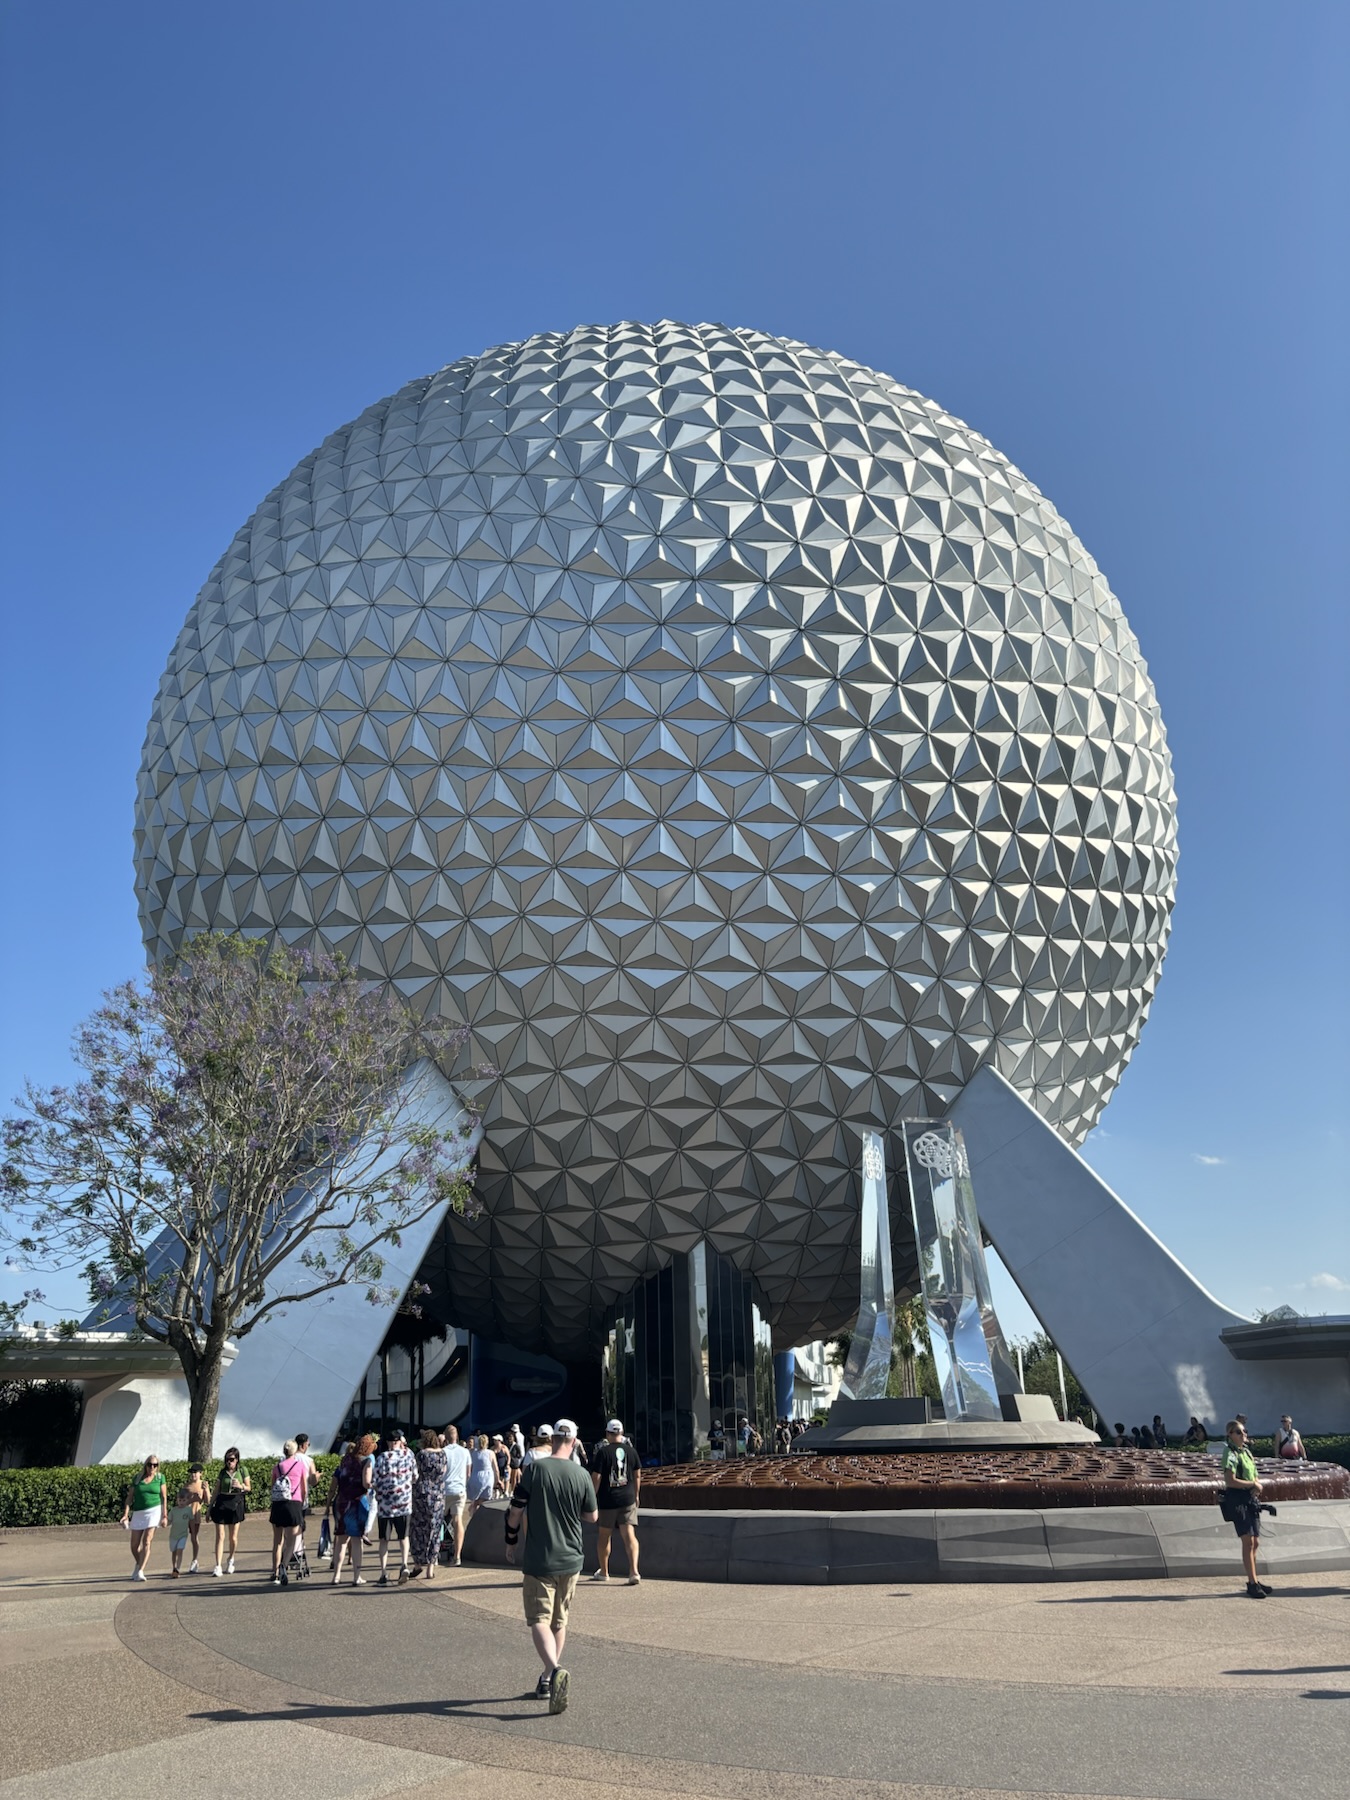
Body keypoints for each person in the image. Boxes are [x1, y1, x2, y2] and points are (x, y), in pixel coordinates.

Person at [504, 1416, 597, 1714]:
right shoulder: (581, 1474)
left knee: (538, 1619)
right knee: (560, 1620)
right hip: (572, 1559)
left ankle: (554, 1670)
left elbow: (515, 1511)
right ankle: (546, 1679)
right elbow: (592, 1516)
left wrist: (511, 1540)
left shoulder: (535, 1470)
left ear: (553, 1439)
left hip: (539, 1558)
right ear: (573, 1441)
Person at [1221, 1419, 1273, 1598]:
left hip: (1250, 1499)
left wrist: (1256, 1486)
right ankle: (1251, 1583)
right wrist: (1253, 1484)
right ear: (1229, 1435)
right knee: (1248, 1541)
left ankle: (1255, 1579)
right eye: (1238, 1432)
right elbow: (1230, 1480)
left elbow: (1255, 1475)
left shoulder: (1247, 1453)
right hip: (1237, 1499)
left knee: (1255, 1542)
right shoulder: (1231, 1452)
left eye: (1244, 1431)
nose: (1243, 1435)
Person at [590, 1418, 641, 1586]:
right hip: (627, 1499)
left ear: (607, 1434)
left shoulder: (602, 1452)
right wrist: (636, 1495)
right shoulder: (631, 1451)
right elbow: (637, 1474)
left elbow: (596, 1477)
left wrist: (592, 1496)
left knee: (604, 1536)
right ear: (621, 1433)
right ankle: (634, 1571)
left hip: (607, 1500)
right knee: (629, 1535)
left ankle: (604, 1572)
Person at [373, 1427, 419, 1585]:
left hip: (385, 1506)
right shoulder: (409, 1455)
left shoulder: (381, 1458)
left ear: (387, 1443)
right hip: (404, 1503)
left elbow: (375, 1480)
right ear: (400, 1441)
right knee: (403, 1537)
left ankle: (383, 1573)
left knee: (384, 1540)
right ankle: (404, 1564)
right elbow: (415, 1477)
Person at [330, 1433, 376, 1585]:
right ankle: (356, 1576)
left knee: (341, 1540)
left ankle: (336, 1575)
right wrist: (375, 1485)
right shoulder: (366, 1461)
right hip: (357, 1503)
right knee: (357, 1541)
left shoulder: (346, 1458)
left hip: (341, 1501)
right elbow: (366, 1483)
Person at [120, 1455, 168, 1581]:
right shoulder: (137, 1478)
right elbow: (130, 1498)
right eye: (150, 1464)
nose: (152, 1467)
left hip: (154, 1510)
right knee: (134, 1545)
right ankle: (139, 1563)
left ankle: (141, 1570)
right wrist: (126, 1514)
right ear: (146, 1465)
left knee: (147, 1541)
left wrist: (164, 1515)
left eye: (155, 1465)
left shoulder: (160, 1478)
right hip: (139, 1512)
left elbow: (164, 1497)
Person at [268, 1437, 308, 1586]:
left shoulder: (277, 1467)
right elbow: (303, 1487)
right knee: (291, 1541)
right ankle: (284, 1565)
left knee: (277, 1541)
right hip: (294, 1504)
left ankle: (274, 1571)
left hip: (278, 1505)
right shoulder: (299, 1466)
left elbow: (273, 1487)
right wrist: (303, 1502)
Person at [410, 1429, 449, 1579]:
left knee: (418, 1529)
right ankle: (431, 1568)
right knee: (435, 1530)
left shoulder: (421, 1454)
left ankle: (418, 1563)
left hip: (422, 1493)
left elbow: (415, 1473)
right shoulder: (442, 1454)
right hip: (438, 1494)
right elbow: (444, 1471)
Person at [210, 1447, 250, 1575]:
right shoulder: (222, 1473)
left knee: (233, 1537)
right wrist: (210, 1507)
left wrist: (240, 1486)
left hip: (236, 1501)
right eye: (227, 1459)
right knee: (220, 1536)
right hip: (222, 1501)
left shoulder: (242, 1471)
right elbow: (216, 1490)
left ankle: (231, 1559)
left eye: (232, 1459)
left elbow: (249, 1488)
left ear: (237, 1460)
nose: (229, 1462)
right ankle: (217, 1565)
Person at [442, 1425, 473, 1566]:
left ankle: (436, 1555)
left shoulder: (443, 1452)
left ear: (445, 1438)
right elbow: (468, 1473)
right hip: (459, 1490)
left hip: (445, 1490)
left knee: (439, 1522)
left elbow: (441, 1472)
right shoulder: (465, 1452)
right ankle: (457, 1556)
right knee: (457, 1521)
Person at [167, 1484, 199, 1578]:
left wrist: (193, 1532)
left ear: (187, 1500)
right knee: (174, 1551)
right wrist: (164, 1523)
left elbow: (192, 1521)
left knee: (180, 1551)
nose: (181, 1502)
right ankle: (174, 1567)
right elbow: (169, 1521)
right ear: (177, 1500)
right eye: (180, 1500)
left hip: (183, 1535)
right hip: (173, 1535)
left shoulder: (188, 1510)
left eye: (184, 1500)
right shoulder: (173, 1510)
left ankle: (177, 1569)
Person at [184, 1462, 209, 1572]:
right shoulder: (186, 1485)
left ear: (200, 1474)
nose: (193, 1474)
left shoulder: (203, 1485)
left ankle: (194, 1560)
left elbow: (207, 1501)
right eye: (192, 1472)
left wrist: (206, 1490)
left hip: (196, 1514)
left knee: (194, 1537)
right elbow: (181, 1501)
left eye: (195, 1472)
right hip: (185, 1514)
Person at [467, 1433, 497, 1521]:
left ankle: (473, 1518)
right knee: (485, 1501)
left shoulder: (473, 1452)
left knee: (475, 1501)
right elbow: (496, 1469)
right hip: (487, 1478)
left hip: (475, 1477)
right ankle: (483, 1520)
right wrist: (497, 1480)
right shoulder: (490, 1453)